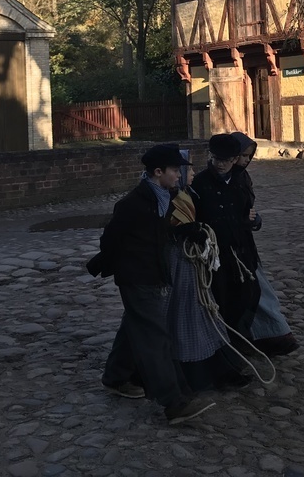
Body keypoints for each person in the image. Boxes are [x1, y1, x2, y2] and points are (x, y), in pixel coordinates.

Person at [87, 144, 216, 425]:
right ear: (158, 172)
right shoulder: (132, 204)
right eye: (174, 170)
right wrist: (106, 264)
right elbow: (111, 239)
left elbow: (160, 231)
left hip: (153, 273)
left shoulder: (164, 198)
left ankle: (116, 377)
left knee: (135, 325)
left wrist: (185, 231)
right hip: (137, 276)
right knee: (155, 336)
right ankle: (174, 401)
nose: (178, 175)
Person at [167, 149, 252, 391]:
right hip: (179, 268)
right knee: (188, 314)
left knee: (205, 311)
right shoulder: (171, 200)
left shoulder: (187, 195)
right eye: (188, 170)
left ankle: (219, 366)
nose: (192, 173)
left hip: (194, 265)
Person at [229, 132, 299, 357]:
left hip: (245, 244)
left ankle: (273, 334)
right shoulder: (222, 179)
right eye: (242, 156)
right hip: (230, 245)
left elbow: (248, 207)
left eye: (248, 156)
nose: (245, 160)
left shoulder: (243, 177)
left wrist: (253, 219)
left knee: (259, 290)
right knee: (251, 291)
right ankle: (266, 336)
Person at [190, 134, 262, 341]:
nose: (220, 164)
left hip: (242, 249)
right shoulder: (200, 183)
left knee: (250, 294)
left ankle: (239, 338)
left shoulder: (240, 180)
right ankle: (225, 344)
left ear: (234, 159)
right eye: (216, 159)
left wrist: (253, 220)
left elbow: (249, 212)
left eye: (226, 160)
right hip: (215, 254)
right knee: (222, 298)